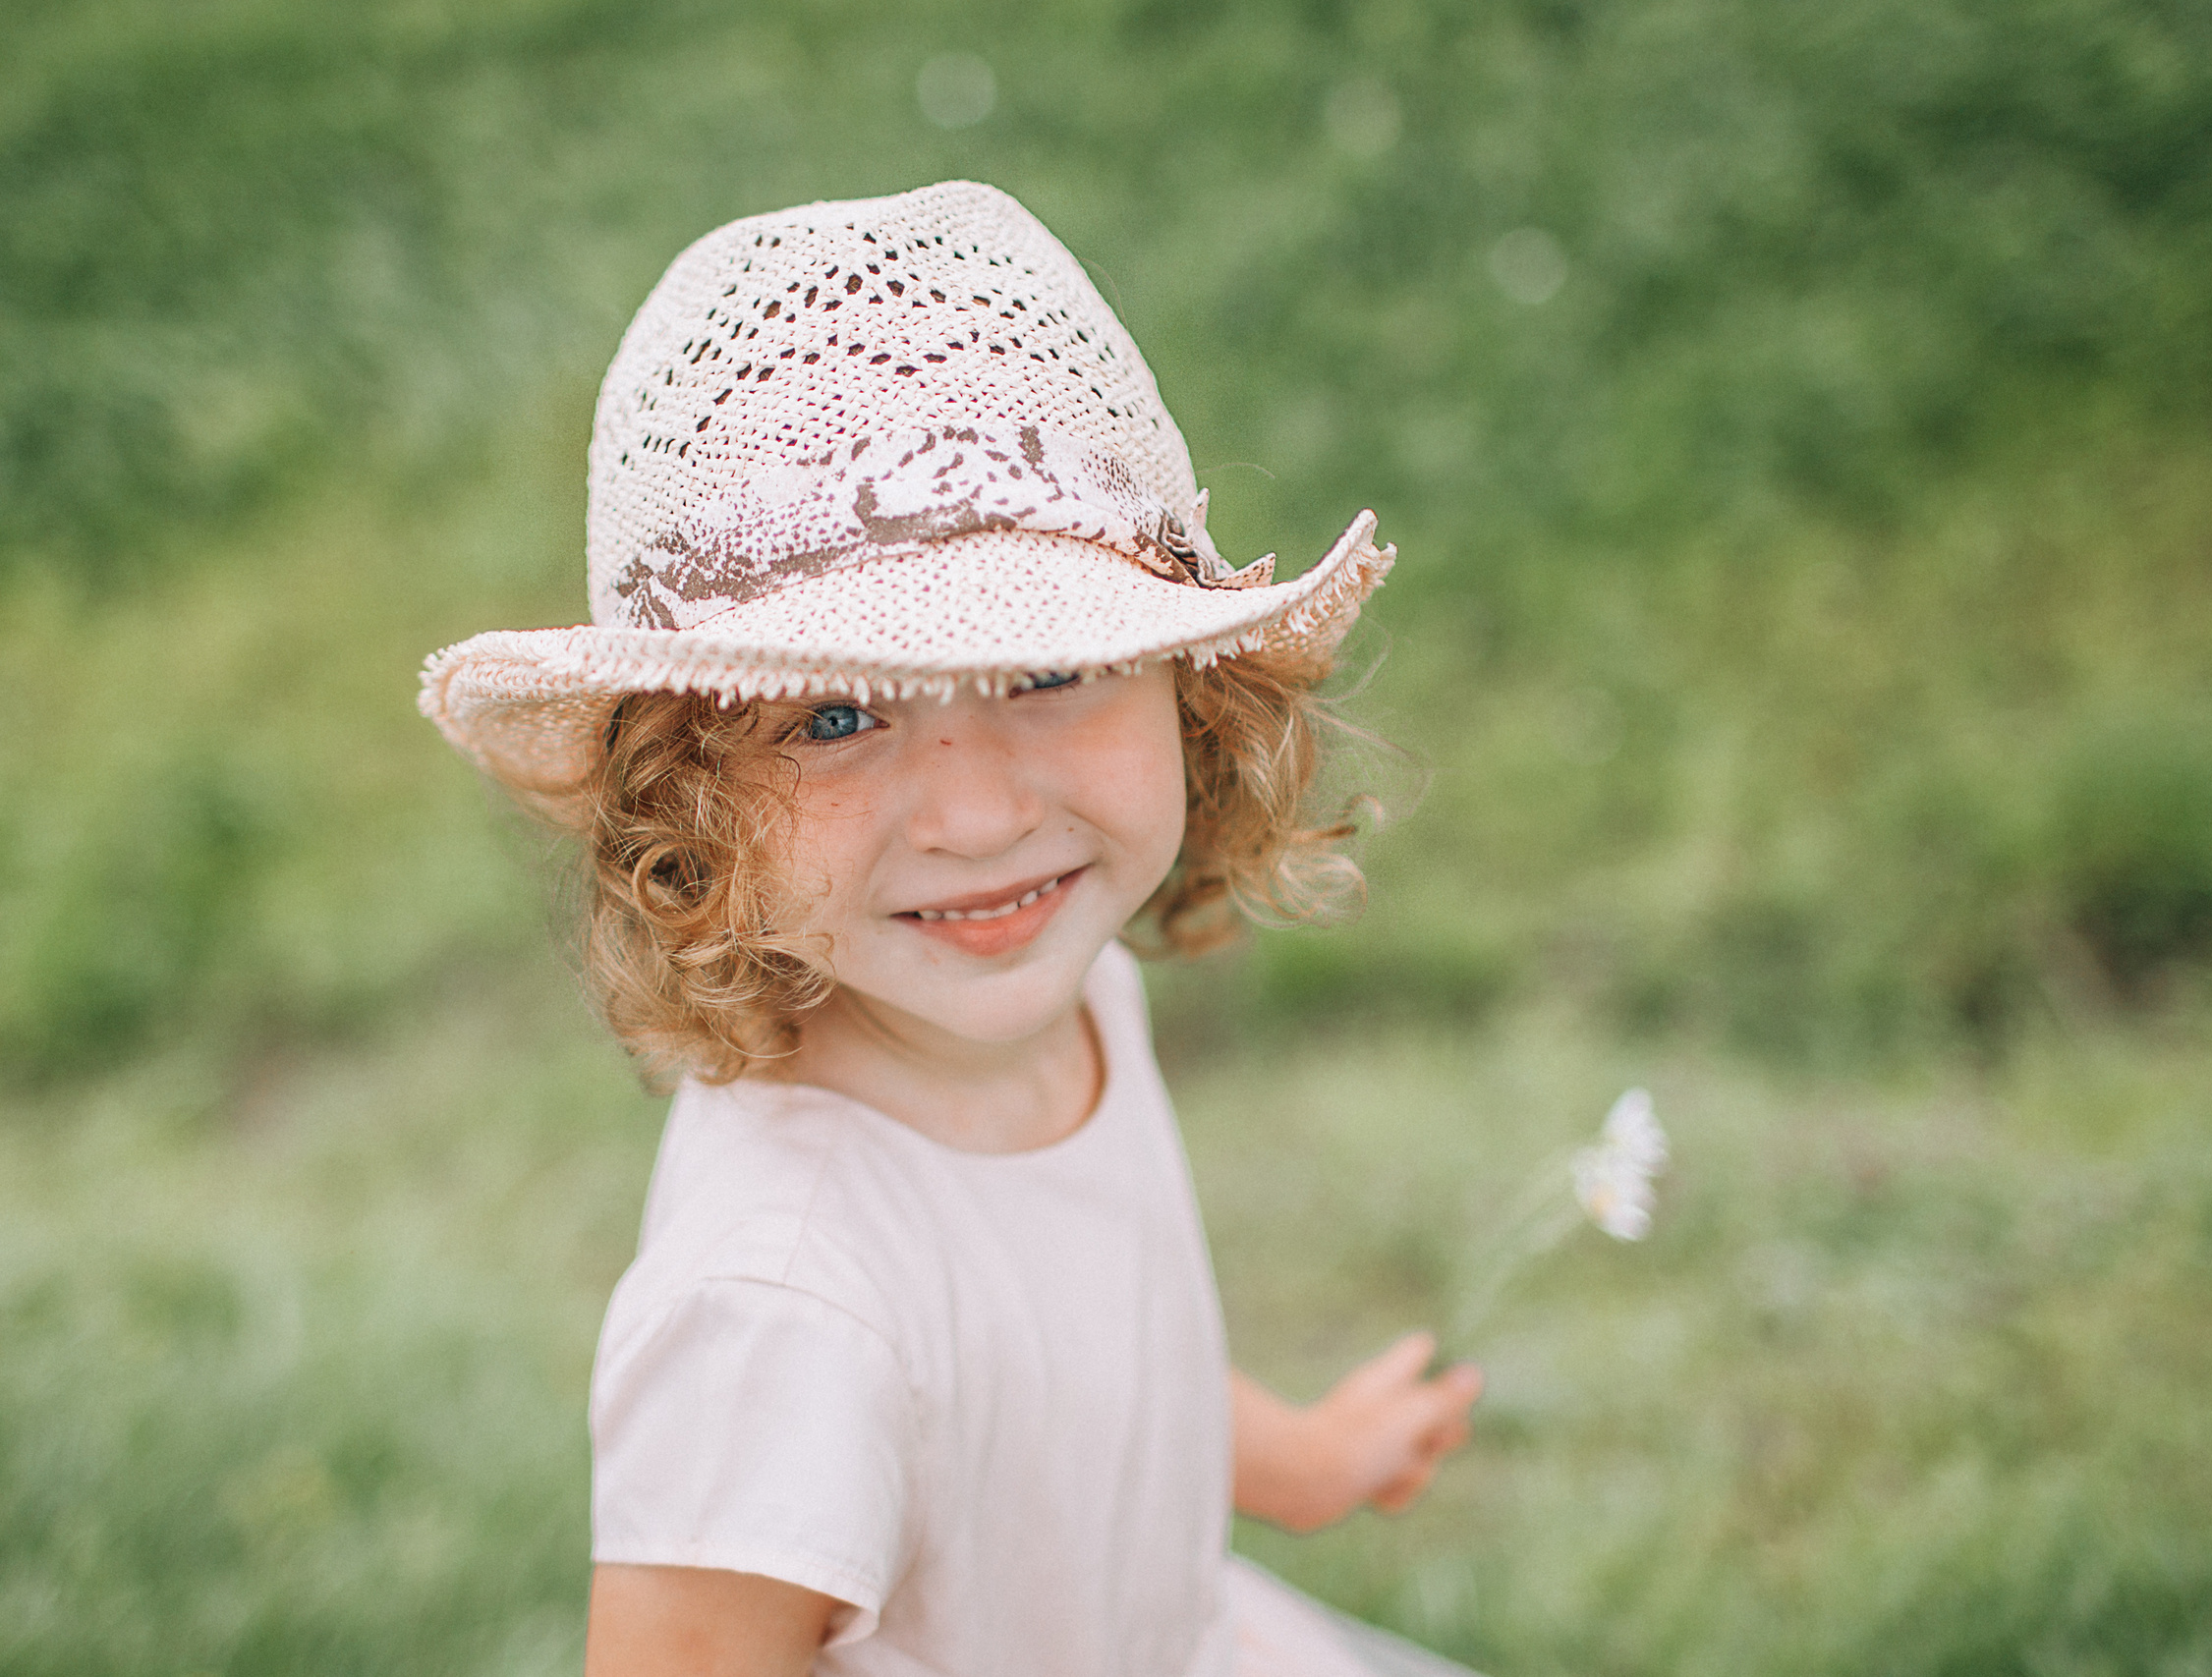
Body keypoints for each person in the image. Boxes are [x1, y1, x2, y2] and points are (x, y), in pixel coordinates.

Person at [419, 181, 1484, 1677]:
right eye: (837, 714)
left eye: (1047, 669)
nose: (977, 817)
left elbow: (1079, 1358)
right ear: (689, 806)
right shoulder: (781, 1305)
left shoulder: (1069, 984)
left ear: (1190, 704)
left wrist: (1293, 1459)